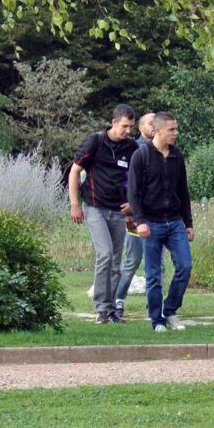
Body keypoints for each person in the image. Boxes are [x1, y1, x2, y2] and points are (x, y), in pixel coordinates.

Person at [69, 104, 139, 324]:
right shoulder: (96, 141)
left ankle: (110, 309)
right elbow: (74, 171)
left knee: (116, 262)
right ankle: (100, 307)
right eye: (125, 126)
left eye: (131, 127)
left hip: (119, 211)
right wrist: (74, 204)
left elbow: (136, 179)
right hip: (95, 207)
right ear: (114, 122)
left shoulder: (132, 148)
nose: (128, 131)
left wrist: (133, 205)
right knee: (105, 255)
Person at [128, 112, 193, 332]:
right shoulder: (141, 155)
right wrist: (140, 221)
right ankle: (157, 319)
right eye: (171, 130)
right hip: (151, 223)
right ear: (157, 130)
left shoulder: (177, 155)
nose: (176, 133)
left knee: (185, 266)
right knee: (154, 274)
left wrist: (189, 223)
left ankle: (170, 309)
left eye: (176, 129)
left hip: (174, 221)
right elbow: (133, 193)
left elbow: (183, 192)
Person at [113, 112, 154, 319]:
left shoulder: (163, 150)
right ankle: (118, 300)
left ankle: (154, 305)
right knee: (133, 259)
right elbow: (124, 179)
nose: (154, 126)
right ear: (140, 127)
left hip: (155, 215)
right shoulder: (132, 148)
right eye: (150, 123)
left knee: (157, 263)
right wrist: (131, 206)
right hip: (135, 215)